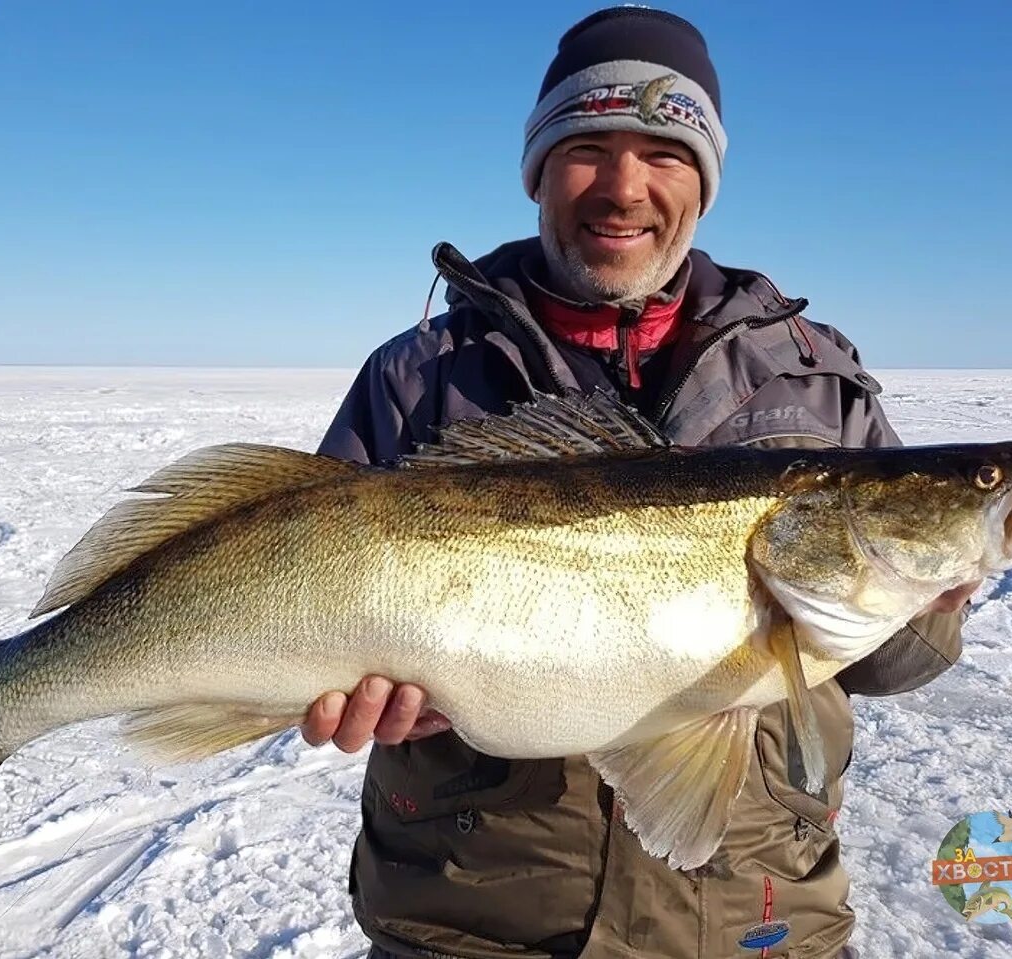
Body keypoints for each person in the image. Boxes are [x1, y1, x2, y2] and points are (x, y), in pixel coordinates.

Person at [305, 7, 976, 958]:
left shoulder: (815, 376)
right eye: (587, 147)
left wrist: (928, 598)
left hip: (758, 918)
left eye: (664, 153)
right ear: (538, 169)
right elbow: (296, 576)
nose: (624, 189)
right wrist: (358, 692)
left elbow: (890, 666)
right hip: (474, 921)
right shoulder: (419, 375)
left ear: (704, 180)